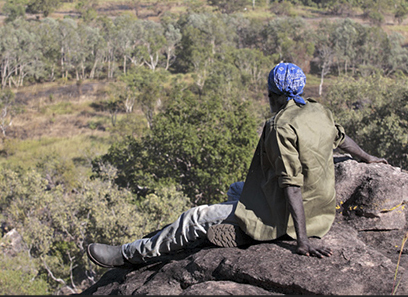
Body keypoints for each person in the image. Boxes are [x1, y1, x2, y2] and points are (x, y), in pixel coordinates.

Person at [87, 62, 387, 268]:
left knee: (194, 218)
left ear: (274, 95)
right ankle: (242, 227)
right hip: (320, 211)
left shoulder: (280, 126)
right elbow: (342, 138)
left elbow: (291, 185)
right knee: (236, 189)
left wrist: (303, 242)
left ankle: (128, 255)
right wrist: (369, 158)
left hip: (290, 218)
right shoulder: (319, 110)